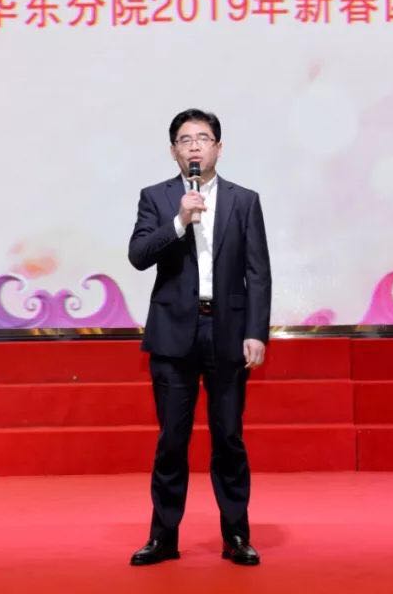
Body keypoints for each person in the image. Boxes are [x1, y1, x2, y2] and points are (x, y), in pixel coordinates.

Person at [127, 108, 272, 567]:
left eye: (203, 138)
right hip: (173, 334)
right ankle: (163, 537)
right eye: (185, 139)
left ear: (218, 148)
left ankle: (236, 535)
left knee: (228, 437)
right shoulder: (156, 197)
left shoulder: (244, 200)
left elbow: (258, 273)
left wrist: (256, 332)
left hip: (227, 332)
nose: (194, 146)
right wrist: (178, 221)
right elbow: (138, 255)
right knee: (172, 439)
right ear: (173, 151)